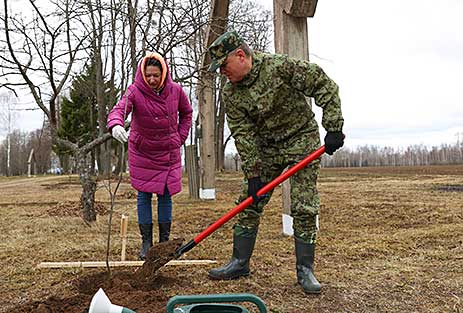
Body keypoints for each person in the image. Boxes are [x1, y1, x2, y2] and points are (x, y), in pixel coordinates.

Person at [206, 31, 344, 294]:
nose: (222, 72)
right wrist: (254, 174)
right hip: (266, 148)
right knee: (249, 201)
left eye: (224, 65)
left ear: (240, 55)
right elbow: (243, 134)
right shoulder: (231, 93)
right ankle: (239, 262)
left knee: (303, 205)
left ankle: (305, 270)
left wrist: (333, 127)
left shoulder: (280, 67)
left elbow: (324, 85)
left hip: (300, 139)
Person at [107, 52, 192, 260]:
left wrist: (179, 137)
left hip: (167, 152)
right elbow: (118, 110)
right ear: (142, 75)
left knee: (165, 195)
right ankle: (146, 243)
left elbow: (187, 113)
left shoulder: (176, 91)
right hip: (143, 152)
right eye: (148, 75)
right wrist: (116, 125)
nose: (152, 79)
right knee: (143, 195)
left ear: (163, 73)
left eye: (156, 75)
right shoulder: (135, 91)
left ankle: (164, 243)